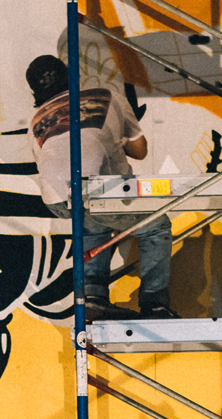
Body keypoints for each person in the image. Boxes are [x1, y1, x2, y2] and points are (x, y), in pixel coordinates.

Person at [26, 54, 176, 320]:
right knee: (156, 225)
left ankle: (93, 296)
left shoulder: (36, 120)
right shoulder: (107, 95)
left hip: (56, 199)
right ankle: (155, 303)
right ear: (69, 74)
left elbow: (49, 166)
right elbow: (139, 151)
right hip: (98, 189)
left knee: (92, 221)